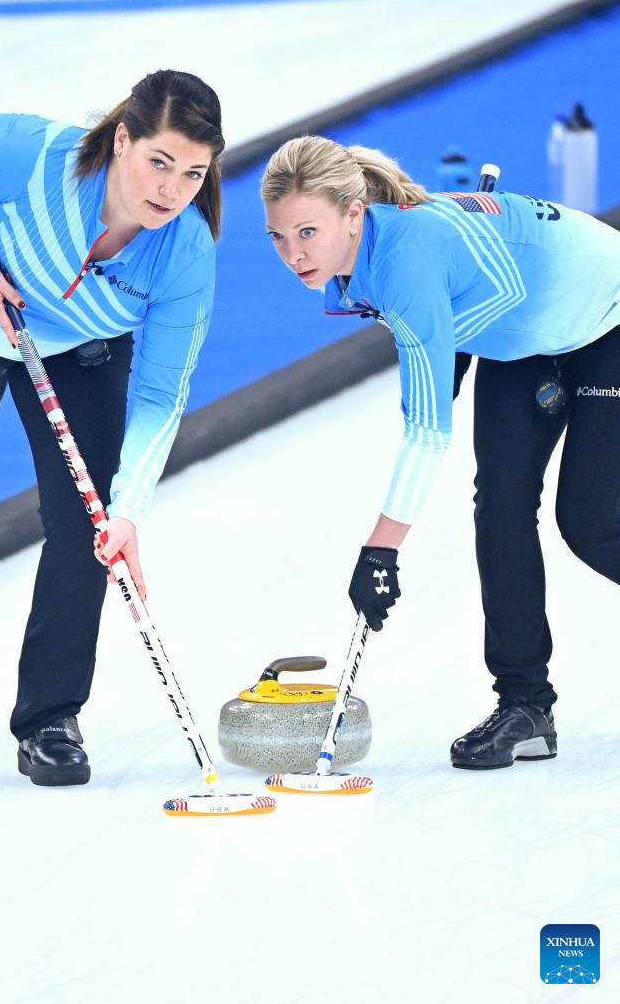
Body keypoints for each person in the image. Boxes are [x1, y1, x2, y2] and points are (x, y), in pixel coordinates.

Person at [0, 70, 224, 786]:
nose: (172, 189)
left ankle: (49, 718)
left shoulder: (184, 253)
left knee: (87, 523)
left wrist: (129, 511)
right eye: (159, 162)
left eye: (193, 173)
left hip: (78, 347)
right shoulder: (39, 158)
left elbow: (161, 393)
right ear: (122, 139)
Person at [260, 135, 620, 770]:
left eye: (307, 232)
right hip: (525, 338)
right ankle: (526, 705)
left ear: (352, 214)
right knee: (500, 506)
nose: (294, 255)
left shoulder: (404, 261)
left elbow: (426, 430)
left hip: (605, 317)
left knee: (590, 524)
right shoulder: (366, 259)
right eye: (279, 238)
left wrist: (380, 549)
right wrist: (450, 341)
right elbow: (484, 302)